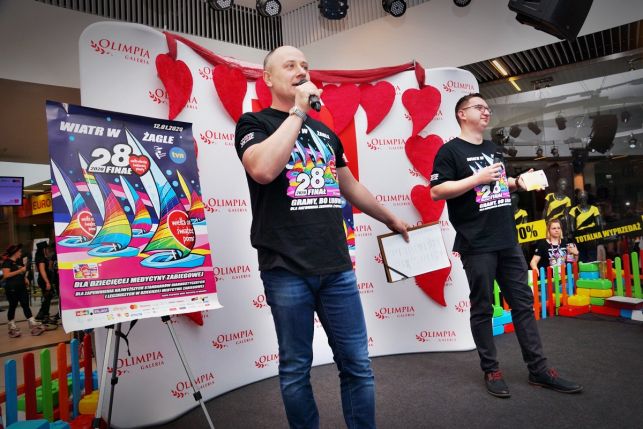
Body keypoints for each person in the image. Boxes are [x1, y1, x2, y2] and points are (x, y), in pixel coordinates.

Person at [234, 45, 409, 428]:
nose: (301, 70)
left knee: (357, 364)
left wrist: (390, 218)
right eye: (290, 65)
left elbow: (350, 185)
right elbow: (262, 169)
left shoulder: (326, 133)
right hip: (285, 267)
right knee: (296, 367)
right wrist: (298, 112)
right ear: (268, 78)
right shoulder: (253, 124)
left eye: (305, 65)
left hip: (335, 266)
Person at [430, 93, 582, 398]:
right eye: (479, 107)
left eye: (488, 108)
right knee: (483, 307)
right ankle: (491, 369)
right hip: (476, 243)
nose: (486, 111)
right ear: (462, 114)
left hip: (507, 240)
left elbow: (497, 183)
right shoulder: (449, 151)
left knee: (523, 305)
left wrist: (517, 182)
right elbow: (437, 191)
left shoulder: (493, 149)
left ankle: (539, 369)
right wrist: (476, 178)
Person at [1, 244, 45, 337]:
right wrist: (20, 271)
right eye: (19, 252)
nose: (20, 253)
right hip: (12, 288)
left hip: (22, 287)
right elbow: (6, 275)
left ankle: (32, 324)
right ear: (15, 253)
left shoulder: (18, 261)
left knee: (25, 305)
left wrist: (25, 278)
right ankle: (12, 326)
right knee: (12, 306)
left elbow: (21, 272)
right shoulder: (7, 263)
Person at [570, 191, 602, 261]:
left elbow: (598, 224)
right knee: (582, 257)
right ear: (578, 199)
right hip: (580, 236)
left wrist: (598, 236)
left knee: (592, 256)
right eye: (581, 197)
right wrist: (574, 237)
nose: (582, 199)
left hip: (591, 236)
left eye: (584, 197)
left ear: (587, 198)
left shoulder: (594, 209)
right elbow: (571, 226)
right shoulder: (574, 210)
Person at [34, 241, 55, 325]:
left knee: (47, 297)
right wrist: (47, 282)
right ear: (43, 249)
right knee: (47, 298)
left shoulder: (39, 257)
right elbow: (42, 271)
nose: (48, 250)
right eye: (46, 248)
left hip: (43, 280)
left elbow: (37, 269)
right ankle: (45, 316)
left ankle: (41, 315)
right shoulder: (41, 258)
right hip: (44, 281)